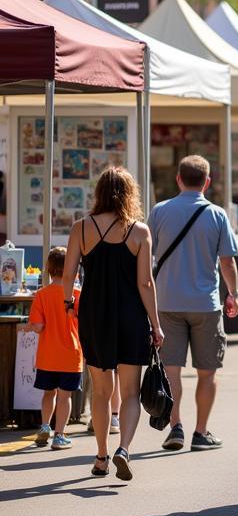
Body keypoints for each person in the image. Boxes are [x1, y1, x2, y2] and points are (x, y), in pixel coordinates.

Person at [64, 166, 162, 481]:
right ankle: (124, 449)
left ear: (99, 193)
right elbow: (146, 283)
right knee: (130, 392)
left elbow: (68, 277)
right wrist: (156, 325)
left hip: (94, 316)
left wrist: (69, 305)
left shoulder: (80, 229)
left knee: (101, 391)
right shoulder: (139, 231)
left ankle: (101, 456)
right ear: (129, 193)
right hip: (131, 317)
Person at [150, 155, 238, 453]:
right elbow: (226, 263)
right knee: (207, 371)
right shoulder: (217, 215)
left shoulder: (159, 212)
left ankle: (175, 426)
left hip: (166, 302)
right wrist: (234, 294)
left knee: (172, 371)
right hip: (205, 304)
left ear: (178, 179)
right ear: (208, 182)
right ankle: (201, 432)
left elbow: (146, 255)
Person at [28, 248, 82, 450]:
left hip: (47, 356)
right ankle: (59, 435)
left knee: (48, 393)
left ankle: (44, 426)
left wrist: (30, 326)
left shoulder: (41, 295)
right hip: (71, 354)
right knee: (65, 396)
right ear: (72, 270)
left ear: (48, 270)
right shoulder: (77, 294)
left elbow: (39, 326)